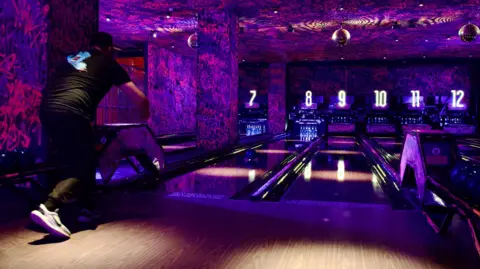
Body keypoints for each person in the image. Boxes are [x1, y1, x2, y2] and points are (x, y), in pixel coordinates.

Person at [30, 32, 150, 239]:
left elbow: (68, 83)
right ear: (109, 48)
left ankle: (86, 209)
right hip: (73, 113)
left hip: (48, 111)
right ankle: (49, 207)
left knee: (76, 159)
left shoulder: (73, 58)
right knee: (83, 165)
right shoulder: (109, 63)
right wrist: (146, 119)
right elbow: (140, 99)